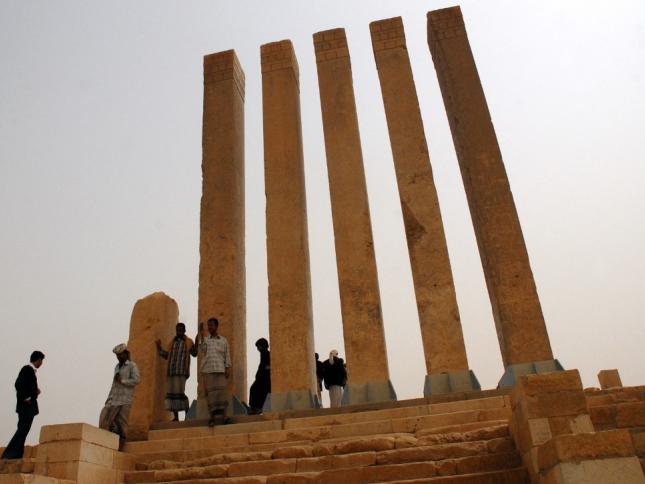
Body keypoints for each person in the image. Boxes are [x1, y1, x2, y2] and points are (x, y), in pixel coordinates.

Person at [2, 351, 45, 460]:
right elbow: (18, 384)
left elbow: (25, 386)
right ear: (38, 360)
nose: (42, 364)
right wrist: (27, 398)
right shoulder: (27, 369)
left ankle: (16, 455)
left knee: (23, 430)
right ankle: (9, 454)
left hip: (27, 406)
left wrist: (35, 392)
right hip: (26, 406)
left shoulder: (30, 371)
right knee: (22, 430)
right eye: (41, 361)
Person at [156, 322, 197, 421]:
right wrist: (159, 347)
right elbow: (166, 355)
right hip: (171, 372)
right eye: (177, 330)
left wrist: (197, 341)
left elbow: (194, 353)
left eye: (181, 330)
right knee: (172, 394)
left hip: (182, 372)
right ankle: (176, 417)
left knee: (180, 393)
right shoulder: (171, 343)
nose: (179, 332)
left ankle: (187, 415)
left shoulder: (188, 342)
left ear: (184, 331)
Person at [99, 344, 140, 442]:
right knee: (105, 418)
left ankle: (120, 444)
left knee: (121, 424)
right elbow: (114, 384)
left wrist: (123, 381)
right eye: (117, 355)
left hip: (125, 400)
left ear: (125, 354)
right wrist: (109, 398)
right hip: (113, 399)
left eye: (120, 354)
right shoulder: (117, 367)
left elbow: (136, 380)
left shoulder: (132, 365)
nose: (119, 357)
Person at [195, 318, 232, 426]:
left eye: (211, 325)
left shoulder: (223, 340)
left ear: (216, 326)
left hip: (220, 370)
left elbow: (227, 355)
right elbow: (202, 350)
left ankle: (225, 417)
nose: (209, 327)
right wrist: (201, 334)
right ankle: (212, 419)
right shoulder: (206, 339)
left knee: (222, 395)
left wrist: (227, 368)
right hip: (208, 370)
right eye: (208, 325)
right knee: (210, 396)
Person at [248, 338, 270, 414]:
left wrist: (265, 369)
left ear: (262, 346)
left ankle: (256, 408)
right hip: (262, 378)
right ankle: (255, 408)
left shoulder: (266, 353)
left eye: (258, 346)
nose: (258, 349)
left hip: (264, 379)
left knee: (254, 389)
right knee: (254, 389)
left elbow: (267, 366)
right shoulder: (263, 353)